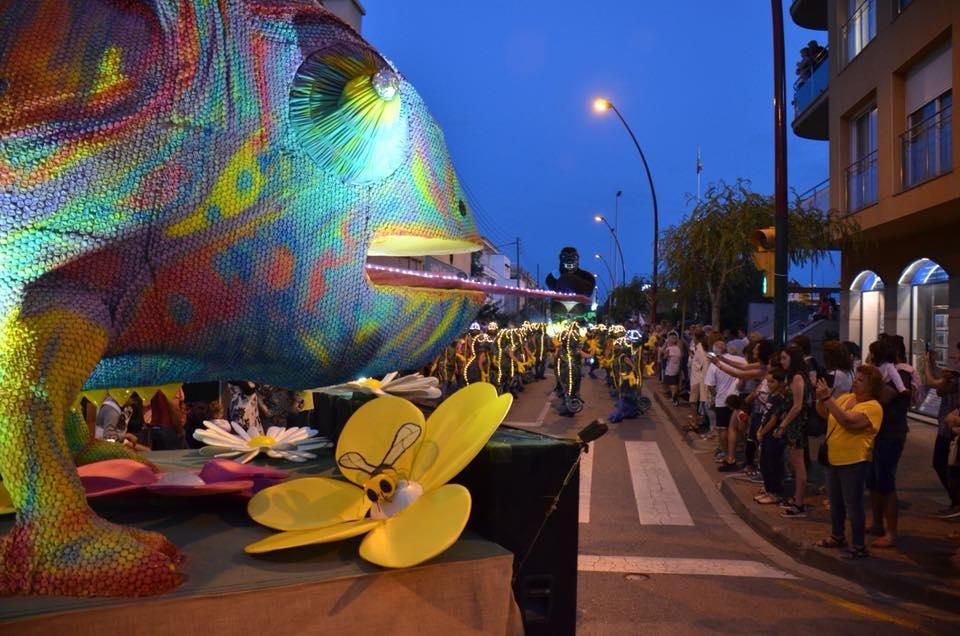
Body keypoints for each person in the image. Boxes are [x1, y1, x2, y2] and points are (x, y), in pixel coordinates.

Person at [813, 365, 884, 560]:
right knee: (835, 502)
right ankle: (838, 536)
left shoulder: (873, 407)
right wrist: (821, 397)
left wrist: (828, 399)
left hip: (854, 461)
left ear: (871, 386)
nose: (855, 381)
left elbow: (847, 421)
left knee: (853, 504)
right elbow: (825, 413)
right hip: (834, 459)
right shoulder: (846, 398)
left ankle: (859, 545)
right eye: (857, 378)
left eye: (861, 380)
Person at [866, 339, 911, 549]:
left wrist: (872, 377)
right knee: (874, 481)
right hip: (877, 433)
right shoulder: (883, 371)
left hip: (891, 434)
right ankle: (877, 523)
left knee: (886, 482)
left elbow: (883, 397)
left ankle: (891, 532)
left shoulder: (899, 373)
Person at [923, 345, 960, 517]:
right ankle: (955, 501)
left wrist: (927, 364)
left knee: (946, 466)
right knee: (943, 465)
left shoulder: (955, 378)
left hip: (952, 430)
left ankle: (956, 502)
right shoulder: (953, 376)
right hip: (946, 428)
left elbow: (932, 383)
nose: (957, 356)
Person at [775, 344, 811, 518]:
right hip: (794, 425)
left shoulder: (797, 377)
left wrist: (783, 425)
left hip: (797, 426)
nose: (782, 362)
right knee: (795, 463)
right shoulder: (796, 376)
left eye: (784, 358)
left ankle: (799, 503)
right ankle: (797, 498)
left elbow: (797, 406)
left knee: (798, 465)